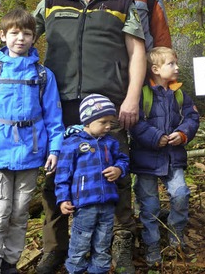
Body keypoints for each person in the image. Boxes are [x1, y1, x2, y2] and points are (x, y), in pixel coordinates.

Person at [34, 0, 146, 274]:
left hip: (108, 106)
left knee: (116, 174)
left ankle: (121, 242)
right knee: (56, 174)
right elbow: (21, 38)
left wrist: (132, 98)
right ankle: (56, 247)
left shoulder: (124, 5)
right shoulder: (52, 1)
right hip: (60, 105)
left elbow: (138, 53)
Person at [0, 9, 64, 274]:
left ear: (34, 38)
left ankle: (10, 263)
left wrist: (54, 149)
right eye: (14, 33)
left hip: (32, 154)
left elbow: (54, 117)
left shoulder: (44, 76)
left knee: (19, 213)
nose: (20, 38)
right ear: (3, 35)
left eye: (27, 33)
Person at [129, 47, 200, 269]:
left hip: (173, 158)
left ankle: (175, 235)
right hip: (145, 161)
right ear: (156, 69)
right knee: (148, 206)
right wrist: (155, 137)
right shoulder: (142, 94)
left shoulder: (180, 94)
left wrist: (182, 134)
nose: (177, 67)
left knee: (180, 194)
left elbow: (192, 118)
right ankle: (152, 246)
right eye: (172, 64)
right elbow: (135, 122)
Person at [55, 94, 130, 274]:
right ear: (87, 121)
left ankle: (100, 269)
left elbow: (123, 160)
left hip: (107, 203)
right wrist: (63, 199)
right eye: (103, 122)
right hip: (84, 204)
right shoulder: (72, 143)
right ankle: (76, 269)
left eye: (110, 122)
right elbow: (62, 173)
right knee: (80, 241)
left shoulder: (110, 142)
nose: (108, 126)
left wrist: (119, 169)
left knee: (103, 241)